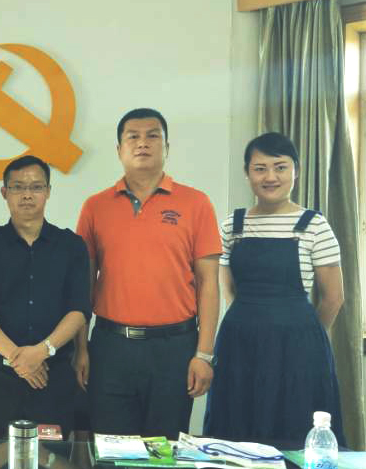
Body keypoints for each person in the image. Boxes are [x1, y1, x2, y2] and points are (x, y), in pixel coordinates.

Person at [75, 108, 221, 439]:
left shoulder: (196, 203)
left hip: (174, 349)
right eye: (133, 137)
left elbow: (209, 284)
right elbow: (83, 285)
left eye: (153, 136)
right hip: (111, 347)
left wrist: (204, 354)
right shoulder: (95, 206)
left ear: (166, 147)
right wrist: (81, 349)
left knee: (164, 449)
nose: (143, 143)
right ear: (119, 149)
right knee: (112, 448)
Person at [204, 132, 345, 444]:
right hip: (239, 342)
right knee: (235, 432)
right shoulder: (232, 225)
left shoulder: (314, 225)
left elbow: (333, 298)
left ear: (296, 171)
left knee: (295, 430)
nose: (270, 177)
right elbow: (228, 289)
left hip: (298, 346)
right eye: (260, 168)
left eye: (280, 167)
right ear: (247, 173)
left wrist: (307, 339)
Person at [0, 155, 90, 433]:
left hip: (53, 377)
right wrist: (20, 360)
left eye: (36, 187)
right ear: (4, 193)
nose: (27, 195)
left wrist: (42, 352)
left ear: (48, 192)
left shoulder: (71, 246)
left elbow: (79, 309)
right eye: (18, 187)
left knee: (51, 457)